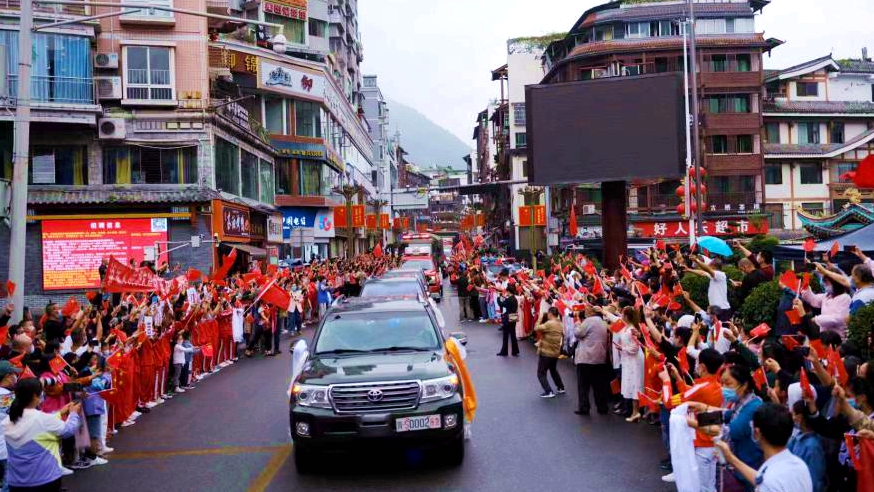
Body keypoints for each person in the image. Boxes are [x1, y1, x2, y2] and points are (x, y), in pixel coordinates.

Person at [4, 378, 82, 492]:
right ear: (36, 396)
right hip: (45, 479)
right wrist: (74, 414)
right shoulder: (43, 420)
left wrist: (60, 413)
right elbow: (68, 430)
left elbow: (39, 425)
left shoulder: (7, 420)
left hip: (16, 482)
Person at [715, 403, 814, 492]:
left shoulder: (769, 482)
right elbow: (761, 478)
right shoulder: (799, 465)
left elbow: (766, 481)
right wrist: (731, 458)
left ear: (757, 432)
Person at [573, 307, 610, 415]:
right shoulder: (603, 322)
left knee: (583, 385)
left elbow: (578, 333)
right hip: (599, 358)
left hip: (586, 358)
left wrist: (577, 324)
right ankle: (602, 407)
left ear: (590, 312)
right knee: (599, 386)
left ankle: (584, 407)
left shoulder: (589, 321)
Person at [788, 401, 826, 492]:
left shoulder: (813, 447)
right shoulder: (797, 438)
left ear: (799, 417)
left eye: (793, 415)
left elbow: (815, 481)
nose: (792, 418)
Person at [533, 307, 565, 398]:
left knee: (541, 373)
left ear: (550, 314)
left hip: (546, 352)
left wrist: (539, 319)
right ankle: (560, 387)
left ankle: (549, 391)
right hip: (555, 351)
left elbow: (536, 328)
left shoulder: (549, 323)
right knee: (553, 370)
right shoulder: (560, 323)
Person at [686, 256, 731, 321]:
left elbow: (707, 270)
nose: (708, 266)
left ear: (713, 266)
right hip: (716, 310)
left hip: (722, 309)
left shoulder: (720, 274)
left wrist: (697, 260)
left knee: (721, 330)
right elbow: (703, 273)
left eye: (709, 265)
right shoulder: (714, 275)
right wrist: (689, 269)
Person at [0, 361, 21, 490]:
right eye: (14, 374)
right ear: (7, 376)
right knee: (9, 484)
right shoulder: (8, 397)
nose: (16, 377)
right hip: (6, 447)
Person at [496, 285, 520, 357]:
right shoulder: (514, 299)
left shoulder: (509, 299)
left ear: (508, 291)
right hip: (514, 317)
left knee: (505, 335)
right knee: (513, 334)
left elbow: (501, 304)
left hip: (507, 317)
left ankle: (504, 351)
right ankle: (515, 351)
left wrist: (498, 298)